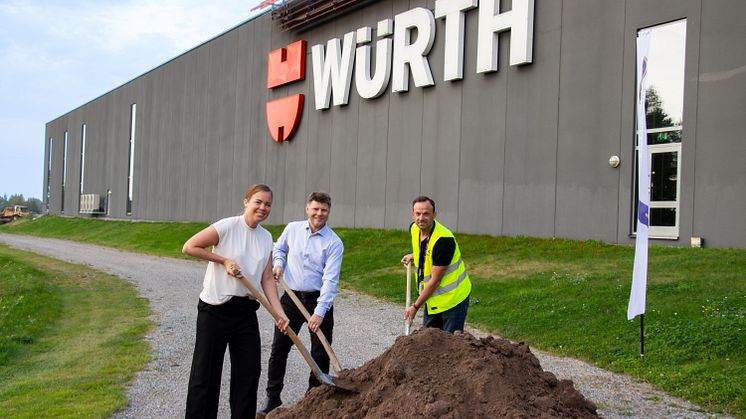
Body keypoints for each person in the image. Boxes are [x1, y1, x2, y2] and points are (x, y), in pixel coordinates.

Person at [182, 184, 289, 419]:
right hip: (215, 309)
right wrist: (223, 260)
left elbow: (267, 278)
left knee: (249, 373)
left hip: (245, 313)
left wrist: (280, 313)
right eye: (258, 202)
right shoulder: (227, 226)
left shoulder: (266, 237)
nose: (263, 207)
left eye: (268, 204)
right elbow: (189, 247)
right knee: (206, 375)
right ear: (246, 202)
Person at [260, 192, 344, 414]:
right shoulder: (293, 229)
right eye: (315, 209)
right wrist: (278, 264)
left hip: (318, 300)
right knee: (279, 348)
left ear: (328, 212)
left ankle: (312, 401)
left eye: (323, 210)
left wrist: (319, 312)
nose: (319, 213)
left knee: (319, 354)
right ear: (307, 208)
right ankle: (273, 398)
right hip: (290, 298)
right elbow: (279, 248)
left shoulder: (334, 243)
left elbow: (330, 280)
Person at [401, 196, 471, 333]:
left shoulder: (444, 240)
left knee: (450, 344)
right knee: (429, 341)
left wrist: (415, 307)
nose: (421, 218)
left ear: (434, 215)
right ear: (412, 214)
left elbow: (435, 280)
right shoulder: (414, 229)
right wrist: (414, 256)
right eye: (418, 213)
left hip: (453, 299)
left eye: (426, 213)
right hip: (433, 298)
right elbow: (426, 250)